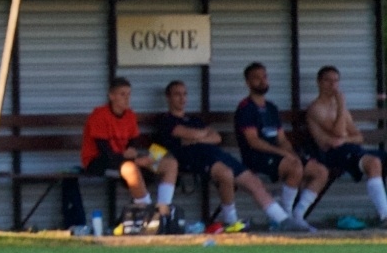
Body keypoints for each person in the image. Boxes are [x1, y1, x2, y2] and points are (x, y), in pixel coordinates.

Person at [157, 79, 306, 232]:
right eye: (177, 95)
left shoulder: (194, 119)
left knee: (253, 181)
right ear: (168, 97)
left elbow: (216, 137)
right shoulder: (166, 120)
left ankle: (282, 219)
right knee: (225, 174)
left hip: (216, 153)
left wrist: (196, 137)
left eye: (184, 94)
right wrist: (201, 135)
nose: (182, 98)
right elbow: (185, 133)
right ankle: (231, 220)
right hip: (193, 157)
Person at [236, 62, 328, 225]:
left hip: (279, 156)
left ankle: (298, 216)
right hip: (257, 157)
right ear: (247, 83)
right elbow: (253, 141)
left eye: (264, 76)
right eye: (256, 78)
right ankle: (284, 218)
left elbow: (282, 139)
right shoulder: (246, 108)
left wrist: (292, 154)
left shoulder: (271, 108)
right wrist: (284, 154)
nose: (262, 81)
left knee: (320, 171)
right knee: (294, 167)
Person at [80, 76, 178, 218]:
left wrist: (141, 157)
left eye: (129, 94)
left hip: (123, 158)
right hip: (98, 161)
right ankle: (147, 211)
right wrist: (135, 161)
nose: (127, 98)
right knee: (130, 168)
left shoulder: (130, 115)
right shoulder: (99, 115)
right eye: (122, 94)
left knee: (170, 163)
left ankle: (164, 211)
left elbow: (132, 144)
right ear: (111, 96)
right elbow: (105, 152)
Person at [305, 66, 387, 224]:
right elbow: (338, 132)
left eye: (336, 81)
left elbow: (358, 137)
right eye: (328, 81)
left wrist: (345, 139)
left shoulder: (340, 109)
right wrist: (341, 105)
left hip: (352, 149)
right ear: (319, 83)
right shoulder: (316, 108)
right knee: (373, 163)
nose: (333, 85)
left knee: (376, 159)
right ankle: (385, 215)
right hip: (332, 154)